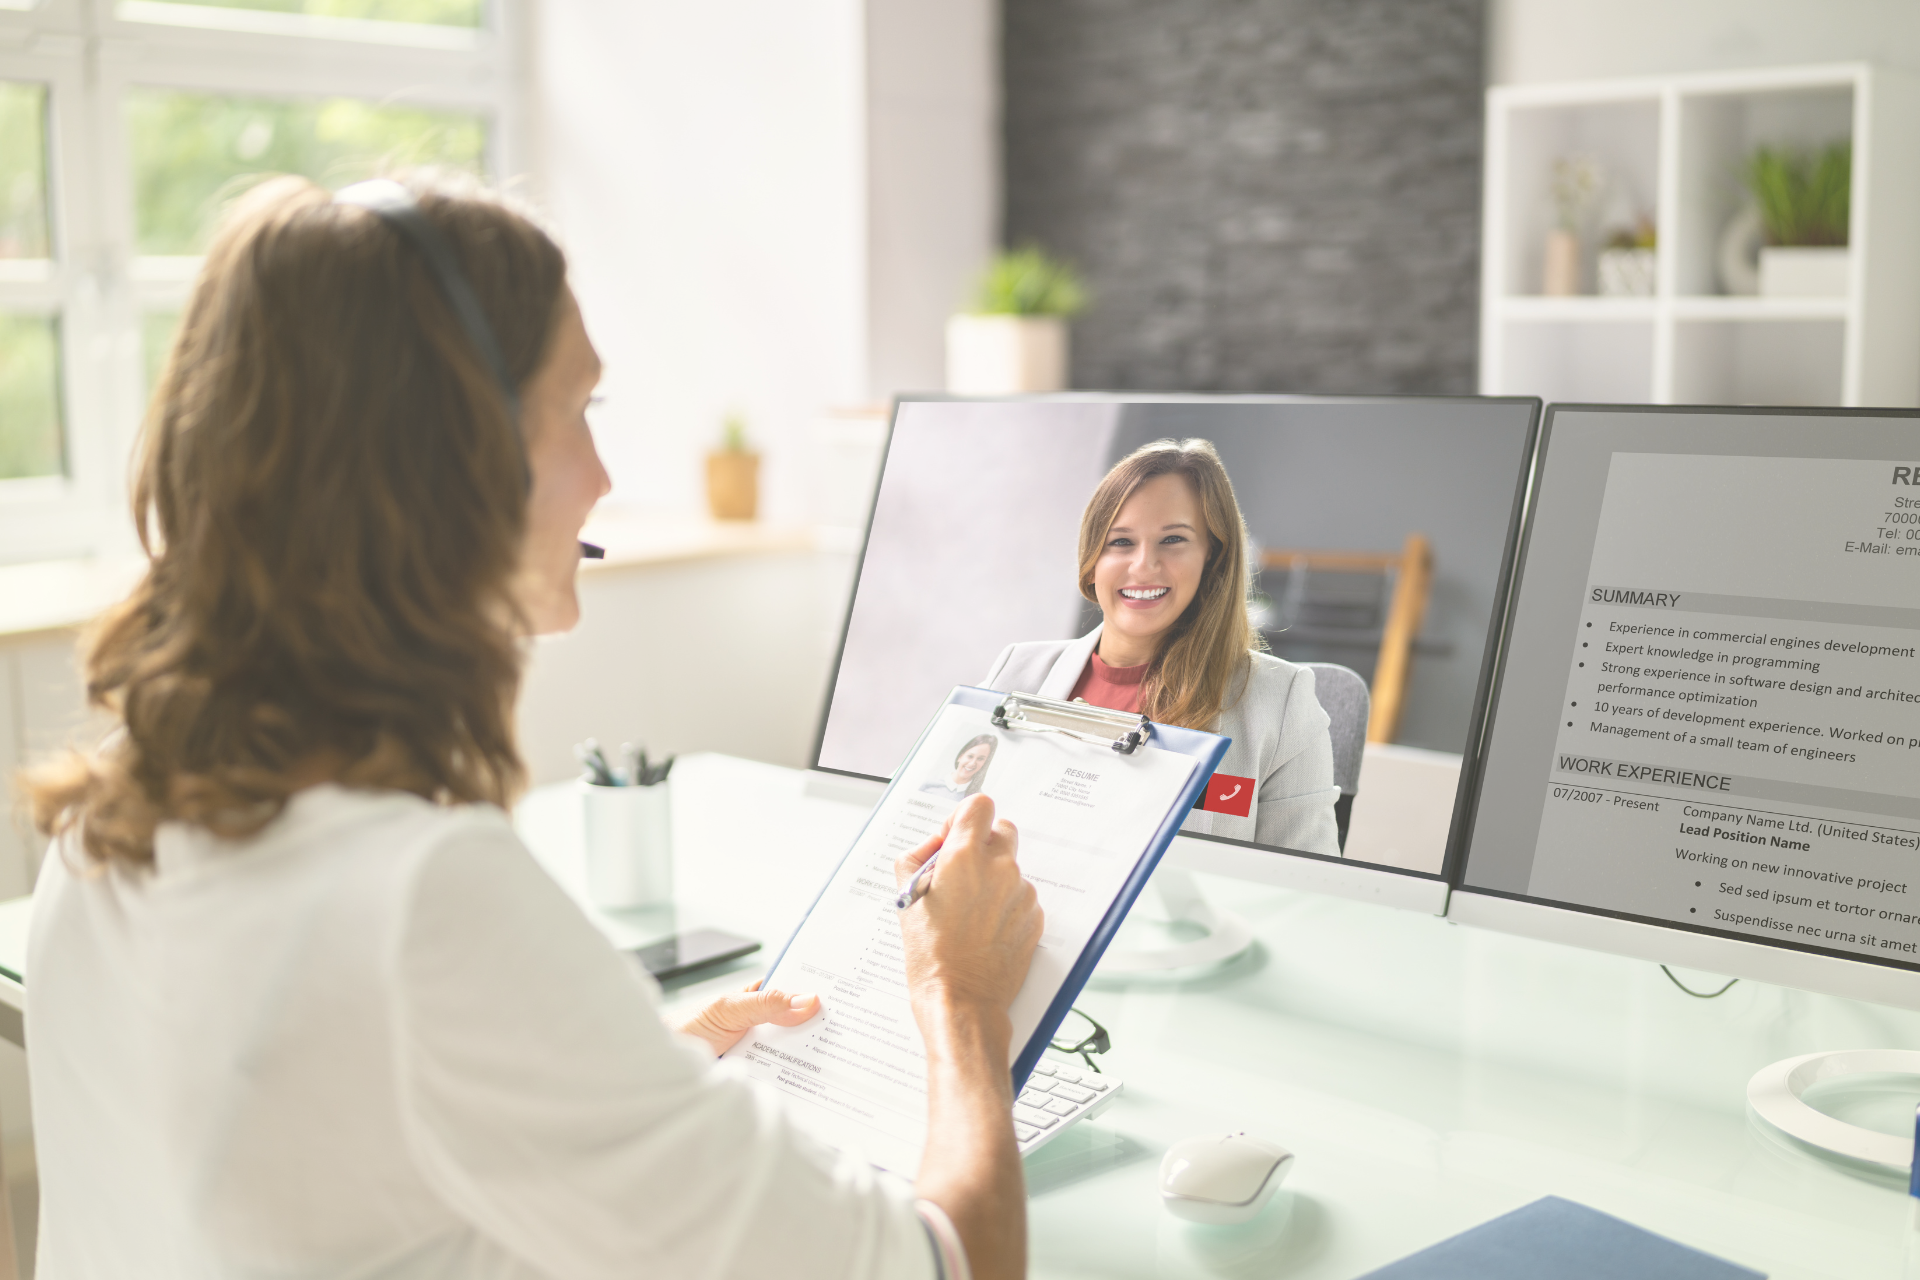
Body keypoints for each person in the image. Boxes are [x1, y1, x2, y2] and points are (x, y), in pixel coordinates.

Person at [22, 176, 1041, 1280]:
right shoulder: (422, 894)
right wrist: (961, 994)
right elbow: (948, 1265)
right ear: (449, 458)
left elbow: (339, 1148)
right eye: (580, 411)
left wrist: (626, 1068)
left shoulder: (126, 796)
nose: (605, 477)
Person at [982, 439, 1339, 854]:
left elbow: (1304, 884)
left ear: (1213, 556)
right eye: (1120, 542)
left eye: (1172, 540)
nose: (1144, 566)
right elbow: (938, 807)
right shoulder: (1017, 669)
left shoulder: (1282, 701)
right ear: (1092, 558)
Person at [919, 734, 998, 803]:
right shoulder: (929, 784)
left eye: (980, 759)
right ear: (960, 756)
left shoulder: (979, 799)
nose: (972, 763)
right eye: (970, 756)